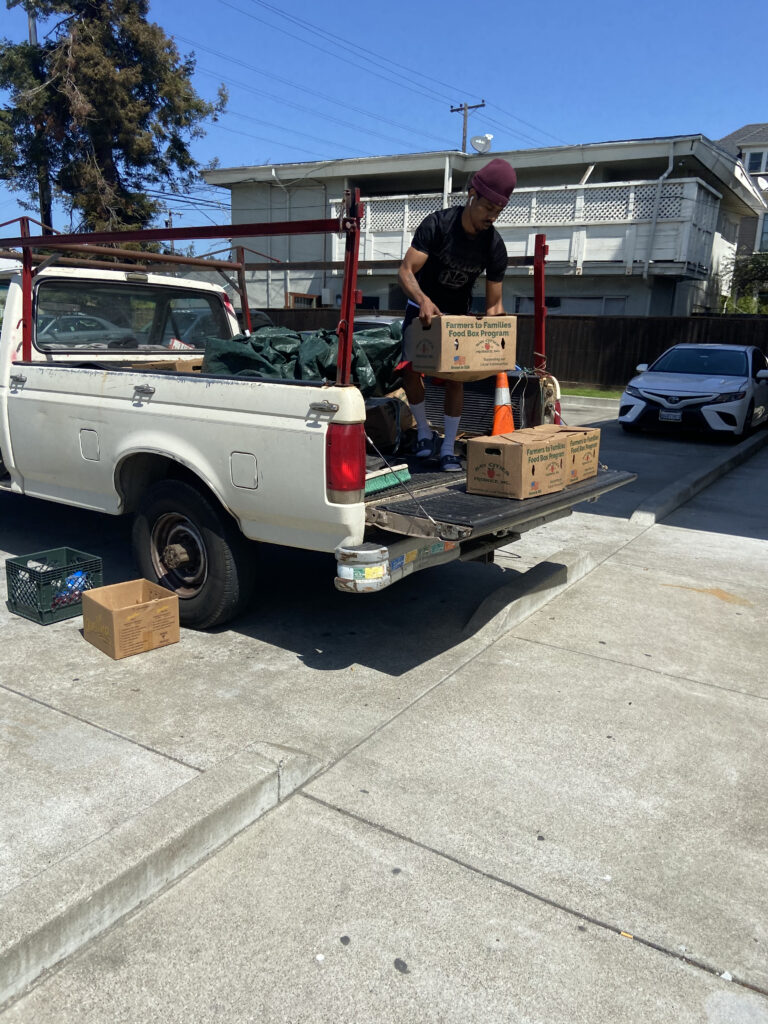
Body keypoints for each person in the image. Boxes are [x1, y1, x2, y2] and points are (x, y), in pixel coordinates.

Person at [397, 158, 517, 471]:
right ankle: (424, 432)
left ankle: (448, 447)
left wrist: (497, 335)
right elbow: (406, 271)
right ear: (472, 196)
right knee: (409, 370)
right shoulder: (438, 225)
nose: (491, 216)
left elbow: (494, 304)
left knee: (455, 377)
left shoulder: (494, 246)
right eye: (487, 207)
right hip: (420, 309)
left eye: (498, 211)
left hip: (457, 316)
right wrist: (422, 298)